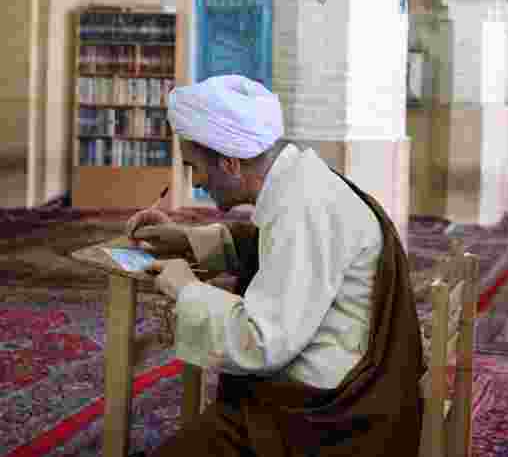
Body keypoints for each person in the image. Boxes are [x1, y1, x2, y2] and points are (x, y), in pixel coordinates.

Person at [126, 74, 423, 456]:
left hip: (336, 414)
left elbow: (262, 341)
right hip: (337, 373)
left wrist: (187, 288)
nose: (196, 181)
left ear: (231, 164)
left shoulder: (303, 208)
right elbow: (268, 248)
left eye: (193, 166)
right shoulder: (298, 178)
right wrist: (186, 240)